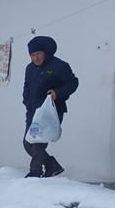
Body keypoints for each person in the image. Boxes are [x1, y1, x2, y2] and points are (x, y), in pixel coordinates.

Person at [21, 35, 79, 178]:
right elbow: (26, 86)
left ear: (46, 52)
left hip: (50, 111)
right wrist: (26, 101)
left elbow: (72, 83)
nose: (35, 58)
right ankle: (52, 165)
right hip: (33, 111)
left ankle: (35, 172)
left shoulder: (60, 66)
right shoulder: (29, 68)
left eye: (38, 54)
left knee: (38, 143)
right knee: (28, 143)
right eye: (32, 55)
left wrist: (57, 93)